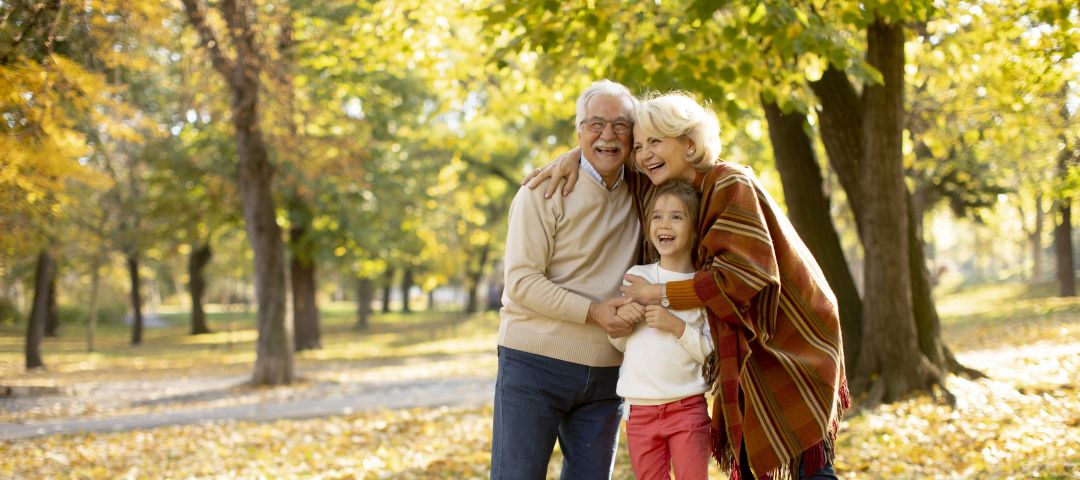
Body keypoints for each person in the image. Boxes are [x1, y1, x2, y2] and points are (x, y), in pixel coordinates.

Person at [525, 91, 848, 480]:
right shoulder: (665, 190)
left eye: (655, 142)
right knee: (754, 459)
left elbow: (740, 279)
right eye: (640, 146)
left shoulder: (730, 183)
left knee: (804, 464)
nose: (643, 155)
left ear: (690, 144)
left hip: (788, 341)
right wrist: (575, 155)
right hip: (744, 345)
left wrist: (658, 293)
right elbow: (608, 154)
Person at [491, 79, 645, 480]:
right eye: (595, 124)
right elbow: (522, 281)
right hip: (534, 363)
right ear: (578, 130)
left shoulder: (645, 192)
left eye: (620, 125)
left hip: (607, 372)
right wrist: (593, 312)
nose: (607, 135)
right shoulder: (542, 191)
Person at [610, 181, 713, 480]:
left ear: (695, 229)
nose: (664, 224)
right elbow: (618, 343)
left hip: (687, 408)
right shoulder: (637, 277)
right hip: (639, 411)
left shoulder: (700, 287)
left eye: (676, 216)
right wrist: (623, 323)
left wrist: (677, 327)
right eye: (657, 216)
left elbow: (710, 352)